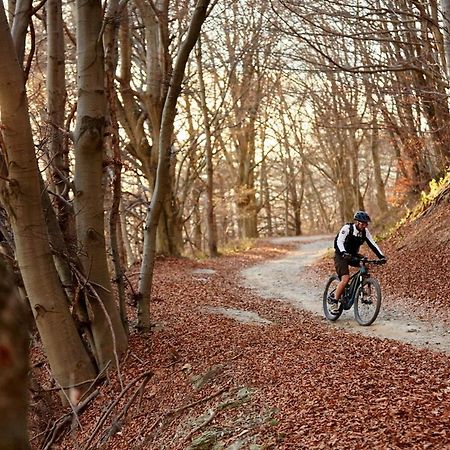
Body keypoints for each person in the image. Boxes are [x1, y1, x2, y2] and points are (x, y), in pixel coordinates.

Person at [330, 210, 386, 313]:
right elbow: (339, 241)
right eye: (363, 223)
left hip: (353, 255)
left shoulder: (365, 232)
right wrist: (343, 252)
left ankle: (364, 294)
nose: (365, 225)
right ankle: (334, 301)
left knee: (365, 266)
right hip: (341, 255)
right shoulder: (347, 228)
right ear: (358, 222)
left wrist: (381, 256)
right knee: (345, 279)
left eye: (366, 224)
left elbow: (372, 244)